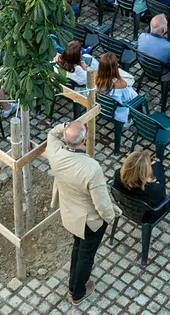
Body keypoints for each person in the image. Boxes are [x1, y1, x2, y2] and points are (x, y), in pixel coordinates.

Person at [46, 120, 118, 305]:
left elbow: (52, 134)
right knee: (86, 256)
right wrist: (111, 218)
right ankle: (77, 293)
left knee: (78, 248)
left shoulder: (55, 155)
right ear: (84, 140)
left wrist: (65, 126)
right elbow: (101, 204)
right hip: (90, 221)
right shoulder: (91, 168)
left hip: (71, 215)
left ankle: (73, 284)